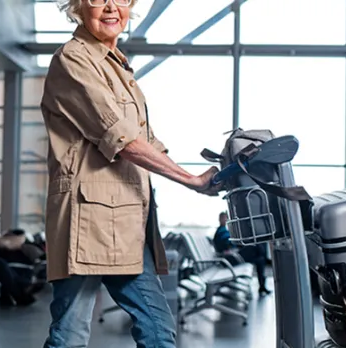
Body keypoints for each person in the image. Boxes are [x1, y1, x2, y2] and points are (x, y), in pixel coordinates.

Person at [40, 0, 220, 346]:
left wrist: (203, 176)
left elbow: (146, 140)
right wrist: (191, 181)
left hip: (125, 222)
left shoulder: (118, 67)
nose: (110, 8)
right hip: (87, 221)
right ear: (78, 6)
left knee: (157, 329)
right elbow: (120, 138)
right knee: (70, 333)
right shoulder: (74, 59)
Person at [212, 212, 271, 296]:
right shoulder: (221, 231)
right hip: (227, 259)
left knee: (260, 259)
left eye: (226, 218)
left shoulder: (224, 230)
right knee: (258, 247)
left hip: (231, 256)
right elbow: (228, 242)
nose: (225, 220)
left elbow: (230, 242)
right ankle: (264, 257)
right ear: (219, 219)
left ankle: (262, 286)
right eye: (224, 218)